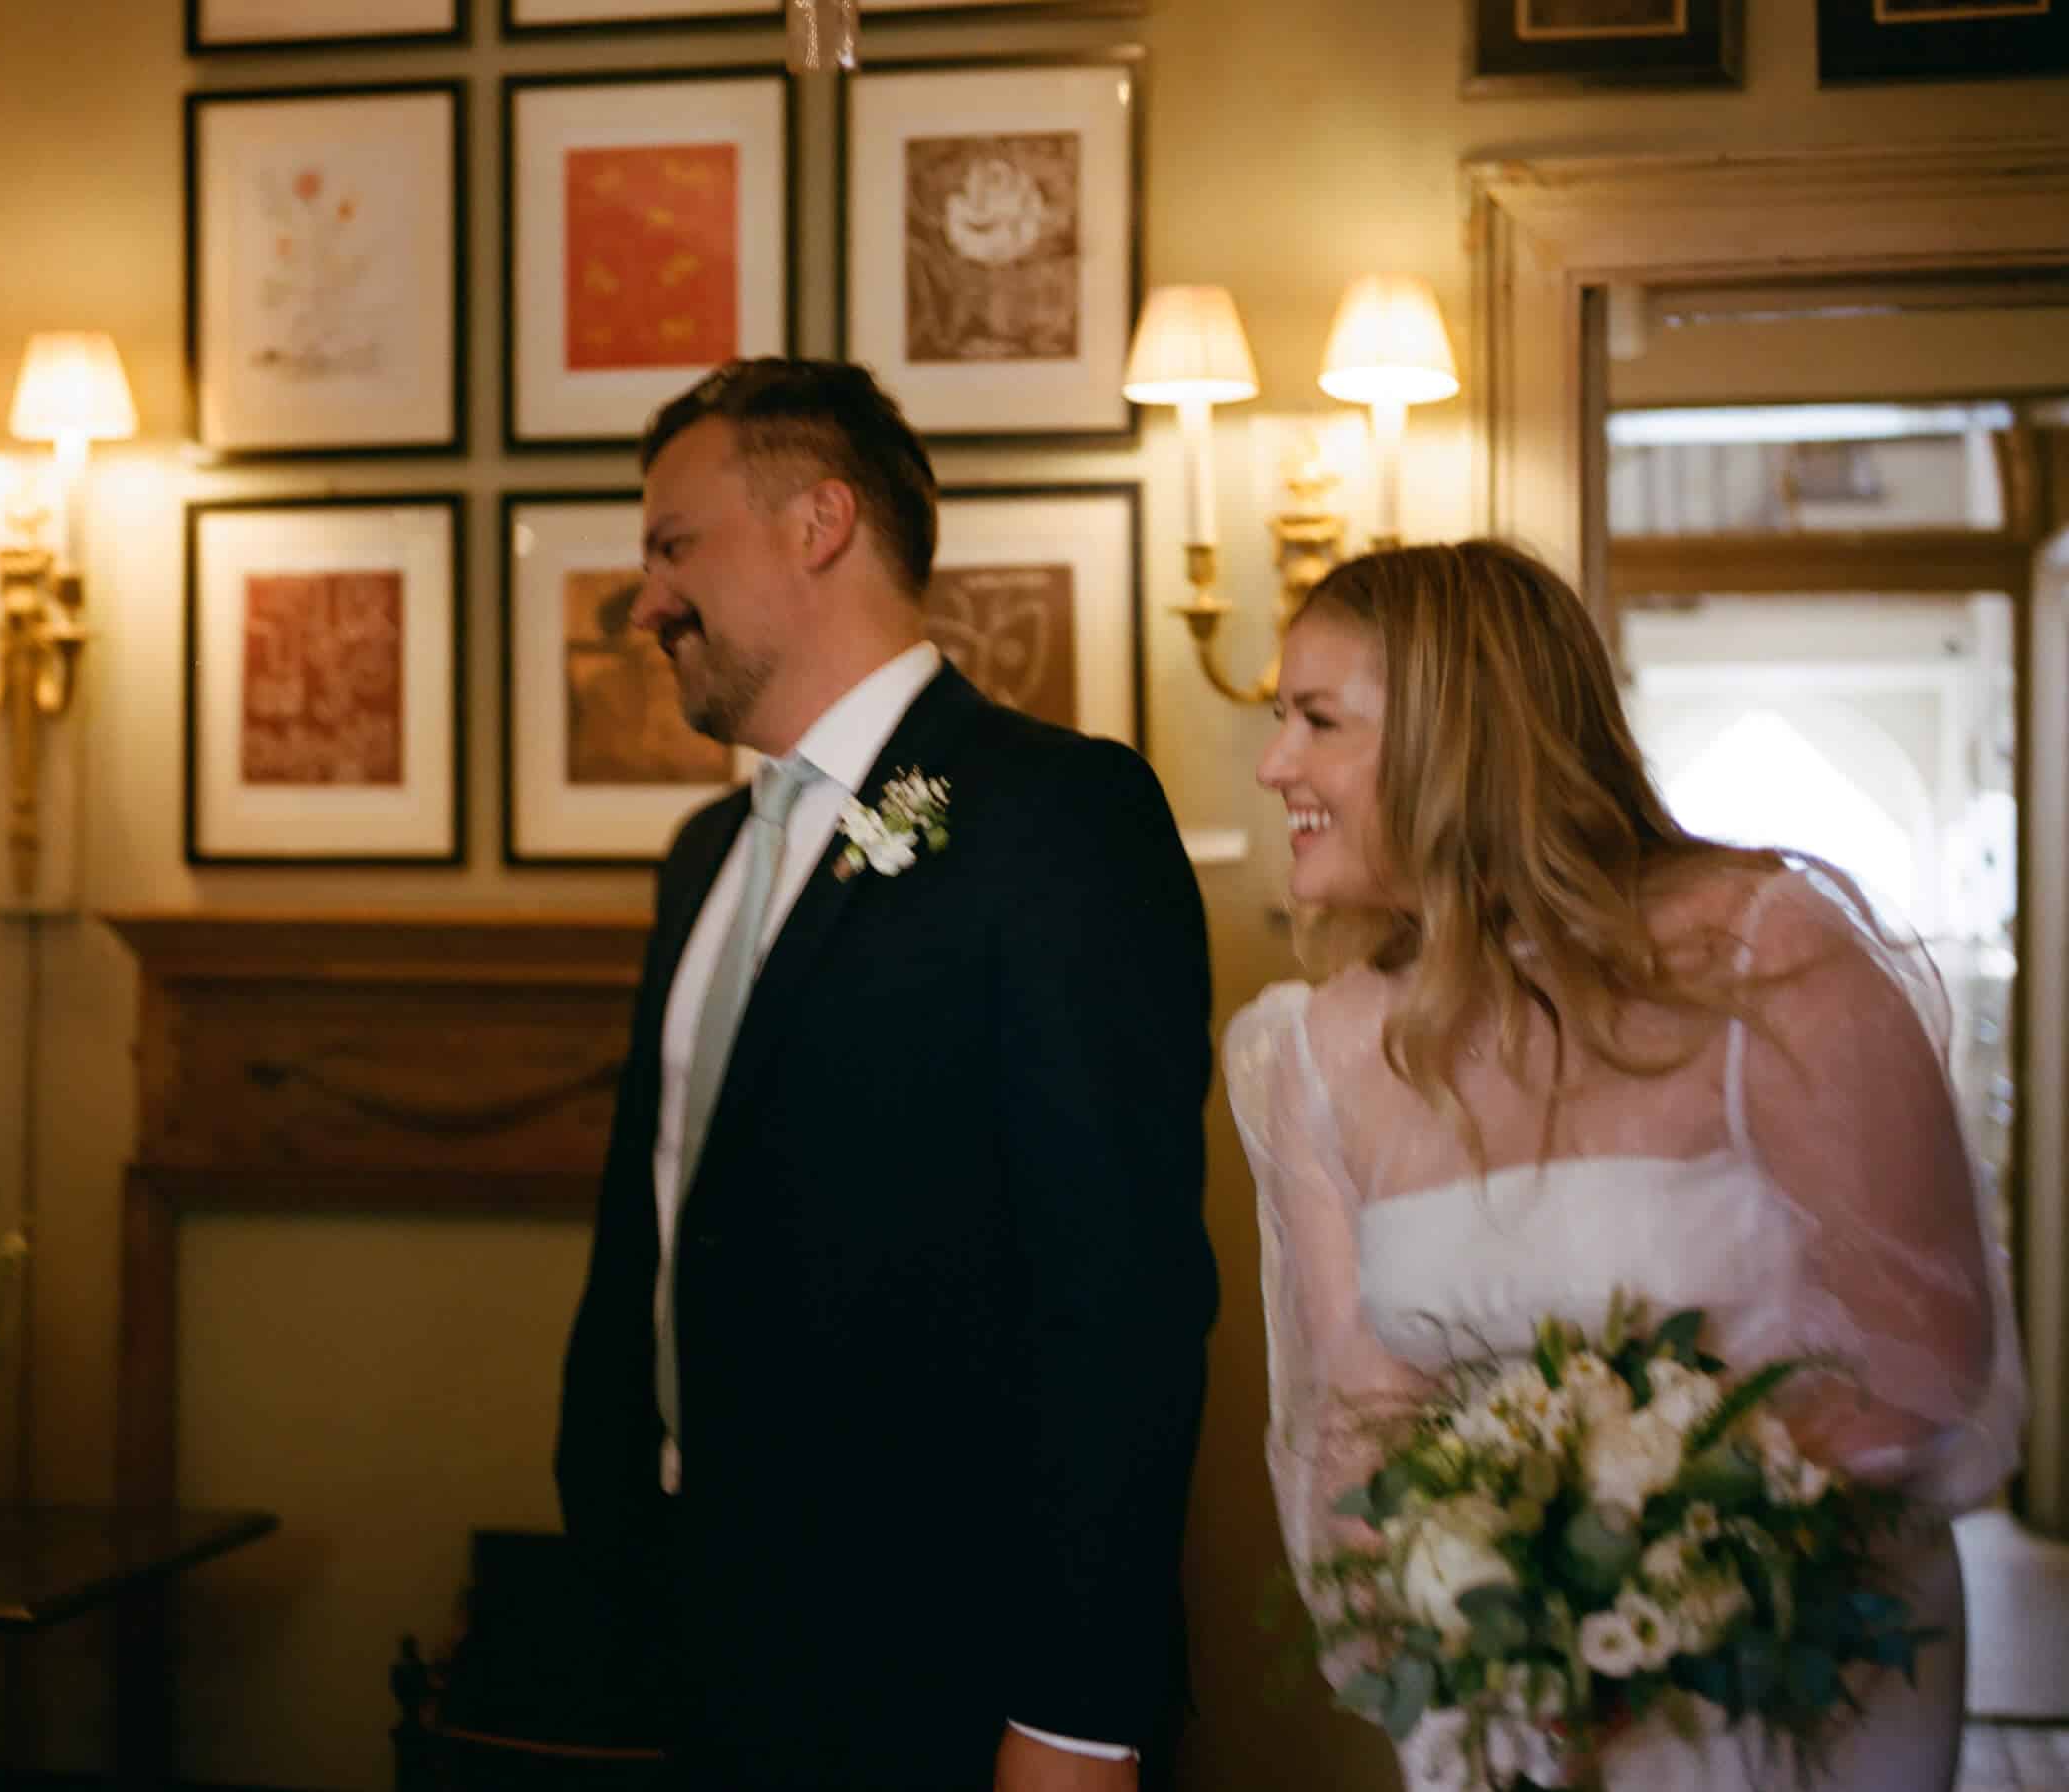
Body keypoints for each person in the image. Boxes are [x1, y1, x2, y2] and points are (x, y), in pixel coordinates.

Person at [1226, 539, 2026, 1791]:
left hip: (1785, 1690)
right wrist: (1478, 1632)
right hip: (1499, 1713)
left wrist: (1666, 1575)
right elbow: (1356, 1420)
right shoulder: (1315, 1049)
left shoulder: (1764, 953)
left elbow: (1929, 1351)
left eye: (1315, 720)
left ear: (1459, 731)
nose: (1274, 764)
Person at [555, 357, 1218, 1792]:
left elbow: (1121, 1304)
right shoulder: (702, 861)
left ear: (819, 523)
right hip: (697, 1643)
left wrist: (1079, 1711)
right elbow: (658, 1238)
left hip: (950, 1668)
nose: (645, 597)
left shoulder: (1058, 818)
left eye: (674, 546)